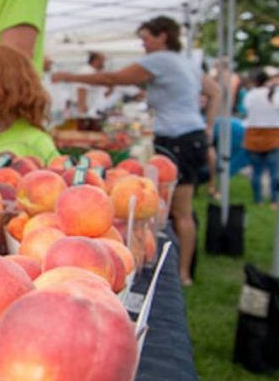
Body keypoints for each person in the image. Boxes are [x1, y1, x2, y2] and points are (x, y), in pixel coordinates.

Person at [53, 15, 222, 286]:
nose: (143, 45)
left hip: (176, 139)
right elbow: (215, 91)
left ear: (162, 36)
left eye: (146, 38)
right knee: (182, 210)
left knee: (180, 211)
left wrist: (67, 76)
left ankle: (183, 275)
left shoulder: (160, 60)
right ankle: (185, 271)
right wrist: (209, 125)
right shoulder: (186, 63)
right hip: (193, 136)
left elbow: (114, 77)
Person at [241, 68, 279, 206]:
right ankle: (274, 199)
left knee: (256, 171)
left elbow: (245, 109)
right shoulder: (273, 94)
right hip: (273, 133)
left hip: (253, 133)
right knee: (274, 171)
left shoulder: (250, 95)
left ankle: (258, 200)